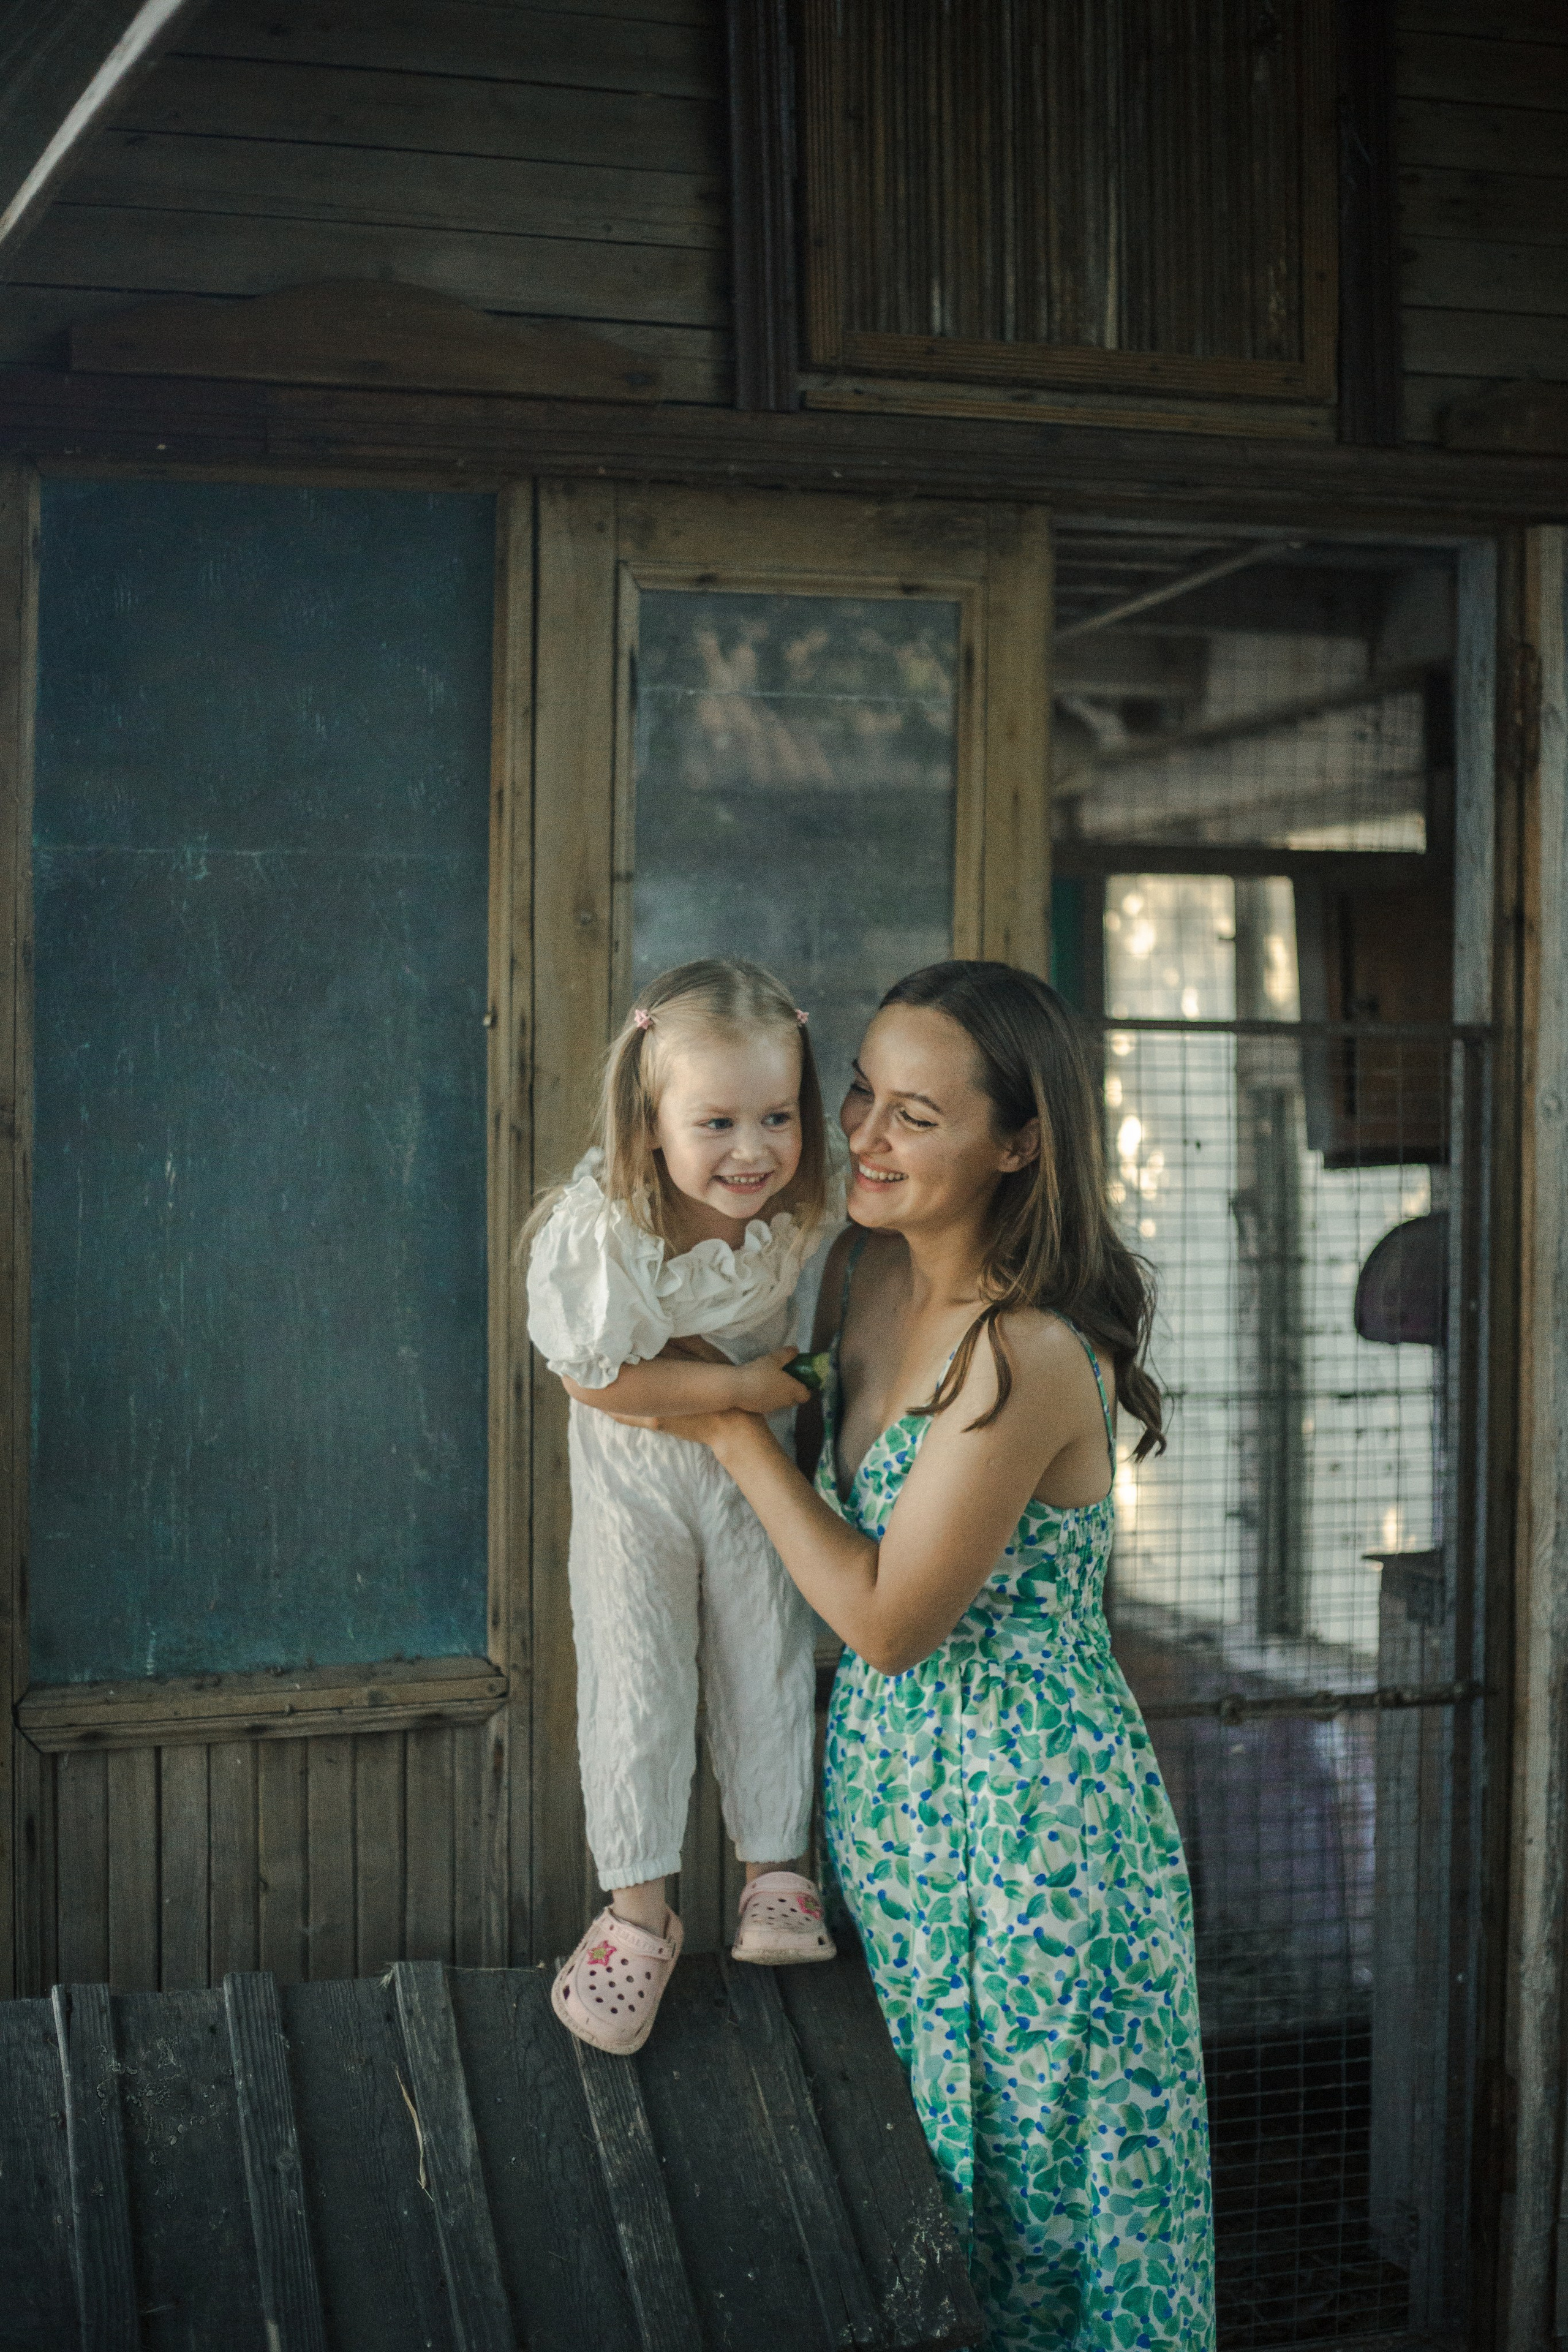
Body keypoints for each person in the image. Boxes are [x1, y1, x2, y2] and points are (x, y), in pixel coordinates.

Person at [621, 961, 1215, 2349]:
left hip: (1038, 1845)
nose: (864, 1140)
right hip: (896, 1815)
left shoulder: (1027, 1355)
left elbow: (889, 1623)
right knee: (929, 2203)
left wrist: (721, 1427)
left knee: (1046, 2227)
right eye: (859, 1097)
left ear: (1017, 1143)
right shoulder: (856, 1270)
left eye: (915, 1115)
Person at [524, 957, 840, 2058]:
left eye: (778, 1115)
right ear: (651, 1121)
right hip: (633, 1475)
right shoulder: (603, 1223)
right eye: (716, 1121)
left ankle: (775, 1872)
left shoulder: (796, 1212)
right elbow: (595, 1377)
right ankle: (638, 1911)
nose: (752, 1149)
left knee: (768, 1647)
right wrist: (747, 1393)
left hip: (751, 1482)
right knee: (637, 1672)